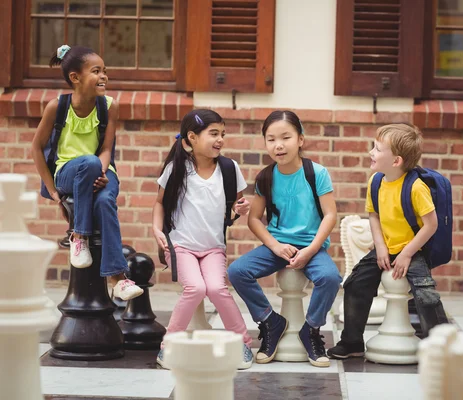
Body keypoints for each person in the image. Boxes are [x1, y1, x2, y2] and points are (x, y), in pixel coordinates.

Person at [227, 110, 341, 368]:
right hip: (277, 246)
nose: (278, 145)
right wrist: (275, 246)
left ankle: (311, 329)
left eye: (286, 137)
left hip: (311, 246)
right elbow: (254, 219)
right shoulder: (266, 177)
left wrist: (311, 250)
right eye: (271, 139)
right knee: (237, 271)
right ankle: (270, 321)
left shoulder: (317, 173)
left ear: (300, 139)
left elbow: (330, 215)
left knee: (330, 278)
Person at [327, 123, 449, 360]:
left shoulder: (416, 187)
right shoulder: (376, 181)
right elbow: (374, 215)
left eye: (377, 149)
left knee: (426, 295)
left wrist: (406, 254)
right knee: (354, 283)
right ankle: (352, 342)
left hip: (413, 249)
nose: (371, 153)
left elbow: (431, 225)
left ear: (396, 161)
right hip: (386, 247)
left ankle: (441, 346)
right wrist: (380, 246)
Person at [31, 44, 142, 300]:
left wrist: (101, 172)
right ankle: (78, 235)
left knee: (104, 201)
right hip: (67, 173)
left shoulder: (109, 106)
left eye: (105, 71)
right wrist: (52, 190)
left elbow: (106, 149)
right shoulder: (56, 107)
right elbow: (37, 148)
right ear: (75, 77)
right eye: (96, 71)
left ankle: (117, 278)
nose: (103, 76)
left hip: (102, 171)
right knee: (88, 163)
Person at [152, 109, 253, 369]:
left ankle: (242, 342)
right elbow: (160, 203)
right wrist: (156, 230)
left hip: (213, 248)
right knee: (195, 288)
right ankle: (169, 344)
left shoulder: (229, 169)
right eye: (213, 134)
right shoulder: (177, 169)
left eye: (223, 134)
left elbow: (233, 206)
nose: (220, 139)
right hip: (182, 246)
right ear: (192, 138)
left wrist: (239, 210)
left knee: (217, 289)